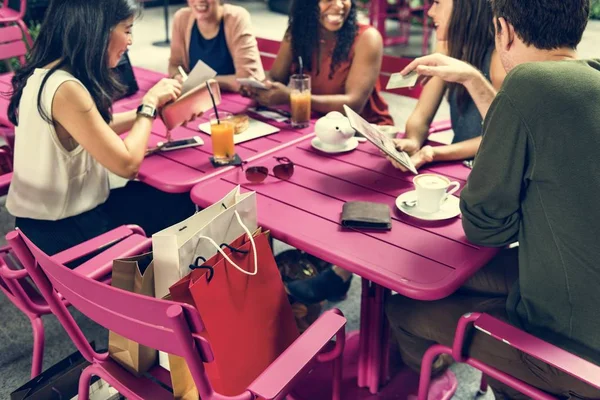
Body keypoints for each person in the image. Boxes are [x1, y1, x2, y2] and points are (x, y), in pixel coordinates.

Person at [386, 0, 600, 398]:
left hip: (574, 357)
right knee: (450, 279)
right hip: (575, 298)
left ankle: (435, 382)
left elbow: (485, 228)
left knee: (403, 308)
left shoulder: (528, 84)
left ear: (503, 30)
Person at [6, 0, 196, 256]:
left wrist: (152, 112)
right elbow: (128, 165)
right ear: (98, 30)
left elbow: (95, 130)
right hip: (64, 233)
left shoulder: (46, 75)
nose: (130, 41)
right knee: (179, 205)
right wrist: (149, 105)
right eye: (127, 29)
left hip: (43, 224)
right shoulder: (66, 89)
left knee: (168, 201)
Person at [389, 0, 506, 172]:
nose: (430, 12)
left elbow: (505, 136)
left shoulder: (499, 59)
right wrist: (413, 141)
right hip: (456, 166)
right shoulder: (448, 48)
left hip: (489, 170)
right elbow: (421, 116)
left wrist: (435, 153)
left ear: (465, 9)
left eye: (437, 3)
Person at [246, 0, 393, 125]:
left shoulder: (367, 38)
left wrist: (294, 98)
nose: (339, 5)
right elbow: (276, 78)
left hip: (362, 131)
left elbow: (354, 105)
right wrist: (260, 88)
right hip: (314, 123)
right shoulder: (297, 32)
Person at [168, 0, 265, 92]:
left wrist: (200, 81)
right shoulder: (181, 18)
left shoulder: (237, 17)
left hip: (235, 98)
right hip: (199, 97)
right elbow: (174, 64)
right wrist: (178, 76)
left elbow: (247, 80)